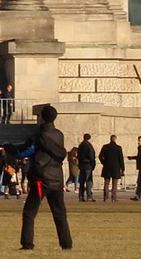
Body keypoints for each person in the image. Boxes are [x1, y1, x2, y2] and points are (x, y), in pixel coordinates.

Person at [15, 104, 73, 250]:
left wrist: (9, 148)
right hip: (57, 178)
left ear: (42, 118)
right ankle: (66, 243)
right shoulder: (59, 135)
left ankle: (27, 243)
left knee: (29, 212)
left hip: (42, 178)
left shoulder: (38, 137)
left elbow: (24, 151)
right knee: (59, 212)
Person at [98, 135, 124, 202]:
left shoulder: (105, 147)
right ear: (115, 139)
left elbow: (100, 156)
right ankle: (113, 197)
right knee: (114, 183)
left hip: (107, 167)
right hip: (116, 167)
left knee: (106, 182)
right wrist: (122, 168)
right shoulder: (118, 148)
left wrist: (104, 162)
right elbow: (121, 159)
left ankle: (105, 197)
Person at [75, 135, 96, 201]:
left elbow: (78, 155)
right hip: (88, 165)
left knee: (81, 182)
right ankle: (89, 196)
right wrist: (93, 164)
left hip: (82, 165)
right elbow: (91, 156)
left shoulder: (81, 146)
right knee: (88, 182)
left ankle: (81, 196)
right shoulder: (89, 146)